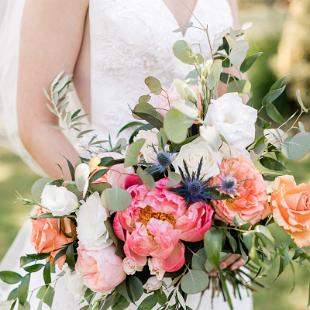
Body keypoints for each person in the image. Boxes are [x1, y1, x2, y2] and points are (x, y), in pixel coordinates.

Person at [0, 0, 252, 308]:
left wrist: (231, 218)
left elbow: (231, 109)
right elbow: (37, 124)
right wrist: (117, 214)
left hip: (203, 248)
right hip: (110, 244)